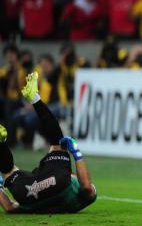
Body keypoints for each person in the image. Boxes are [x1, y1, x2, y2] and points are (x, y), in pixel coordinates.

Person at [0, 72, 96, 213]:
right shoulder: (74, 202)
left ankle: (34, 98)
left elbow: (87, 186)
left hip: (55, 181)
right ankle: (1, 143)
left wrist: (76, 153)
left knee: (58, 143)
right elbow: (9, 207)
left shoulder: (70, 181)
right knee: (8, 171)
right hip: (27, 193)